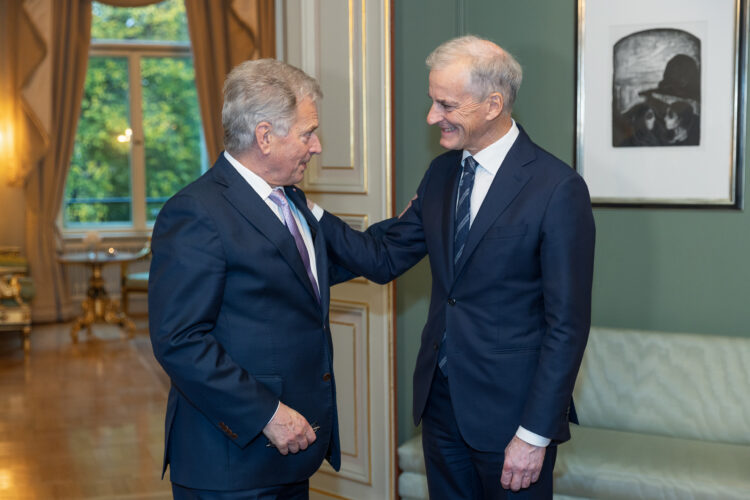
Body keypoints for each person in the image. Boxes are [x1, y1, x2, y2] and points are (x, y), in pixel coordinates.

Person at [314, 35, 596, 499]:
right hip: (441, 405)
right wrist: (307, 214)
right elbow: (384, 258)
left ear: (493, 104)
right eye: (432, 101)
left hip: (512, 418)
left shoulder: (557, 188)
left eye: (446, 105)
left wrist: (534, 435)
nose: (431, 117)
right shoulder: (442, 174)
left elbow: (567, 325)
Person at [148, 58, 354, 499]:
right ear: (264, 136)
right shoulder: (196, 212)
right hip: (230, 465)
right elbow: (180, 340)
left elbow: (309, 278)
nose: (316, 146)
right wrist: (268, 415)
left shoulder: (291, 201)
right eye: (307, 133)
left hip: (288, 457)